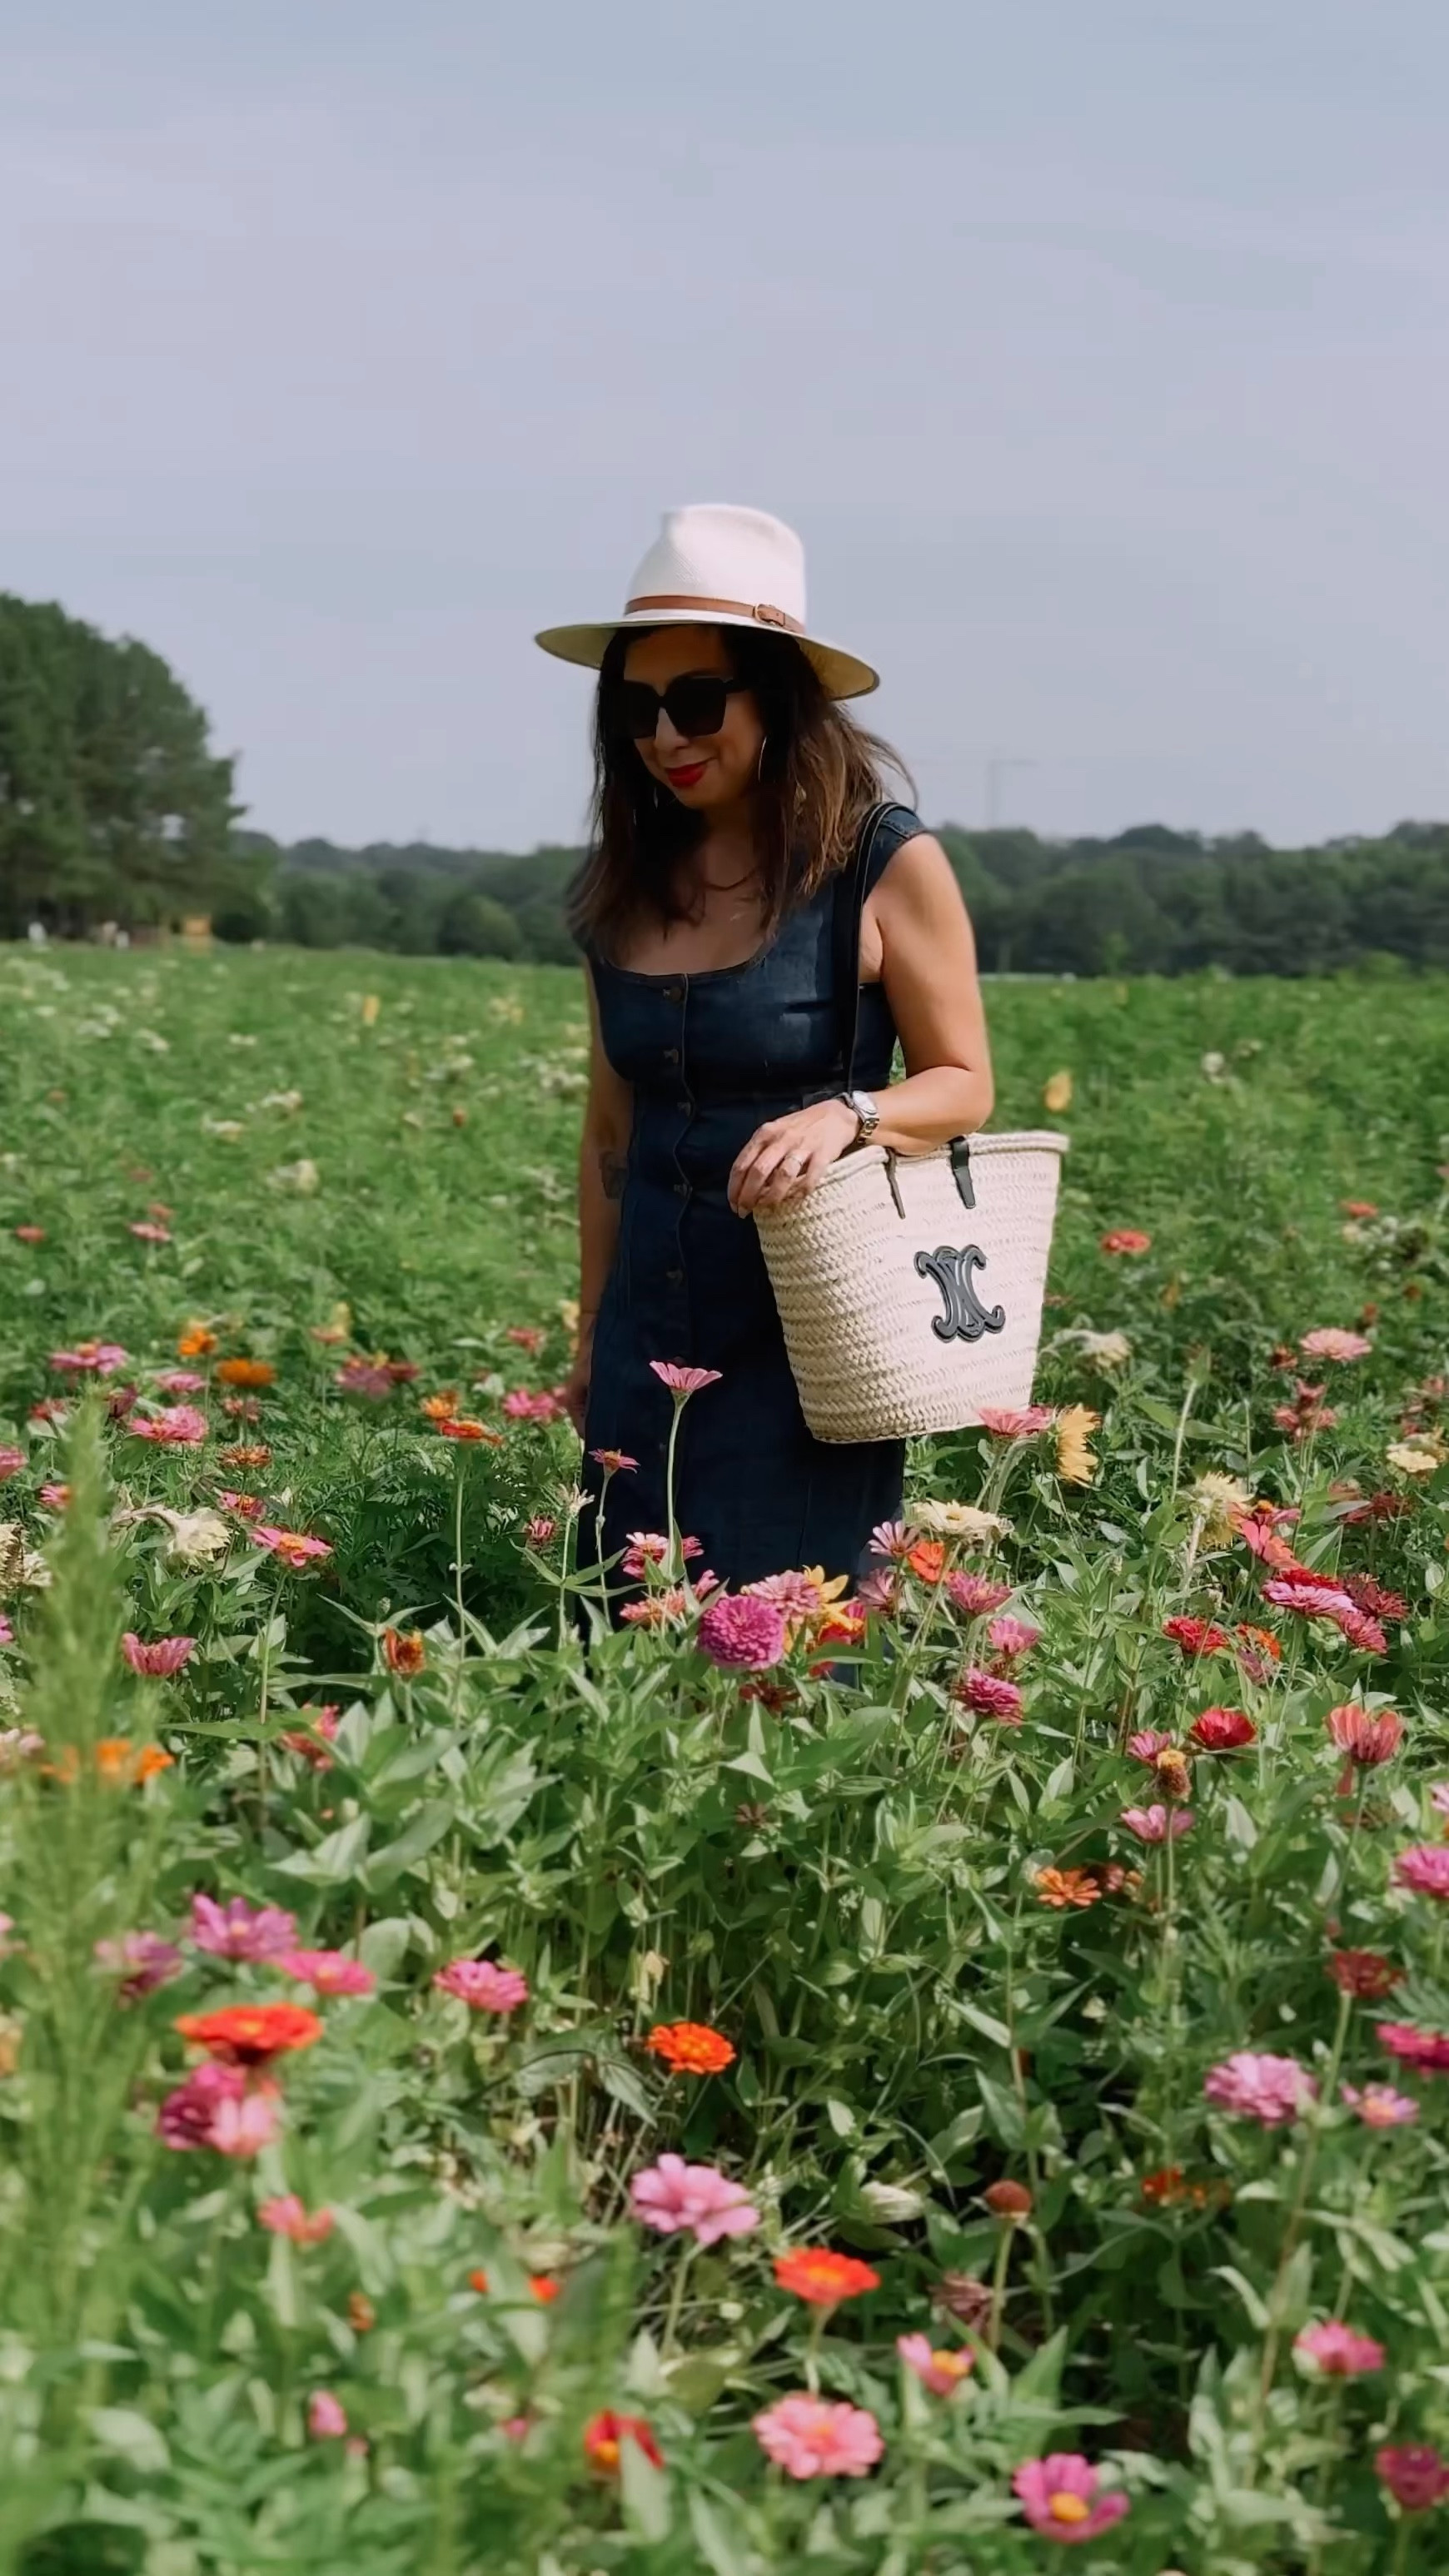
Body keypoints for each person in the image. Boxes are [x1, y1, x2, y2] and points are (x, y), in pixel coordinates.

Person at [535, 504, 993, 1597]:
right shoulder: (623, 886)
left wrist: (852, 1112)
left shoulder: (880, 862)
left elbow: (964, 1084)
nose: (666, 736)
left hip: (810, 1345)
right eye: (638, 708)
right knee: (623, 1651)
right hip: (649, 1339)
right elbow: (611, 1135)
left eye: (697, 701)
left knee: (790, 1655)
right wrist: (594, 1332)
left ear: (778, 699)